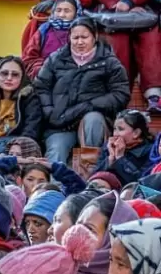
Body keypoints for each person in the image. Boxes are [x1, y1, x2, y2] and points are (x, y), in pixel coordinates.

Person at [35, 17, 130, 164]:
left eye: (84, 37)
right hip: (60, 122)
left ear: (94, 37)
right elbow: (41, 87)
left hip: (94, 121)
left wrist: (91, 105)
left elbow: (121, 94)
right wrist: (48, 110)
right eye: (75, 37)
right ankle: (52, 186)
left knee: (93, 120)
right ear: (69, 38)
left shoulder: (109, 62)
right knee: (56, 150)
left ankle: (92, 175)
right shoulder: (56, 59)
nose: (80, 42)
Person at [24, 0, 83, 79]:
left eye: (67, 11)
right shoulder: (44, 29)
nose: (61, 15)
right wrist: (42, 69)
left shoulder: (82, 31)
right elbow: (29, 57)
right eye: (58, 10)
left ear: (76, 13)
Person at [96, 109, 154, 185]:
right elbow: (94, 177)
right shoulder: (109, 146)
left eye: (120, 129)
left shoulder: (151, 151)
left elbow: (141, 182)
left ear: (136, 133)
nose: (115, 134)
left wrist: (120, 158)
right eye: (114, 129)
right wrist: (110, 159)